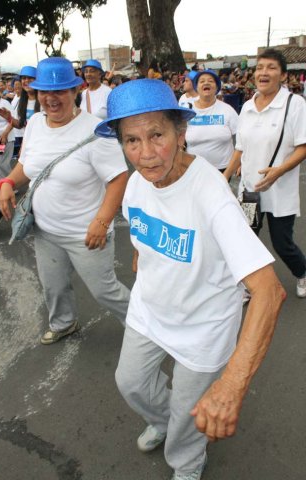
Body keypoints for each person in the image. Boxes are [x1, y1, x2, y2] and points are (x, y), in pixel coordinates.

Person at [94, 79, 285, 480]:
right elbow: (142, 238)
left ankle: (187, 460)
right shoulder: (134, 184)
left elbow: (268, 291)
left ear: (181, 133)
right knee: (130, 383)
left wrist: (232, 384)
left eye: (157, 135)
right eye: (131, 141)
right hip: (150, 311)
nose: (145, 154)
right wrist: (143, 262)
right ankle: (169, 423)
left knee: (187, 412)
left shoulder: (210, 193)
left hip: (203, 326)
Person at [0, 57, 130, 345]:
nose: (51, 98)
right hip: (45, 230)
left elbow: (118, 178)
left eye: (59, 91)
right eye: (45, 91)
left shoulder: (95, 130)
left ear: (74, 91)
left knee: (105, 291)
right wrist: (8, 182)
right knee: (53, 287)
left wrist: (102, 221)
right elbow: (28, 166)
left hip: (86, 232)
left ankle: (145, 328)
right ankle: (63, 323)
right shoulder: (34, 123)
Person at [224, 48, 306, 298]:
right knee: (246, 240)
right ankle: (249, 286)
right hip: (249, 191)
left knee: (283, 244)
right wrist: (225, 175)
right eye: (260, 68)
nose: (263, 72)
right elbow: (240, 147)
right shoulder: (248, 106)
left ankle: (302, 273)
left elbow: (303, 146)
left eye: (271, 67)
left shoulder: (294, 104)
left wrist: (279, 171)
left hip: (280, 191)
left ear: (282, 75)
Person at [185, 69, 239, 173]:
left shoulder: (227, 110)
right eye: (202, 81)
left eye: (210, 81)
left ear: (217, 87)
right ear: (196, 87)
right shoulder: (187, 108)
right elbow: (178, 136)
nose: (206, 83)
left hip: (222, 169)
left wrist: (232, 169)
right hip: (193, 168)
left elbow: (242, 141)